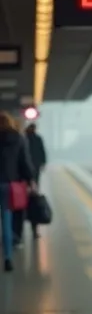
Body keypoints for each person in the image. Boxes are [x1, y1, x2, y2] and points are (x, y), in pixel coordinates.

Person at [0, 111, 35, 271]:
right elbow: (25, 162)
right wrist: (30, 181)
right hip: (9, 185)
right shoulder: (18, 139)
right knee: (7, 223)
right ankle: (7, 259)